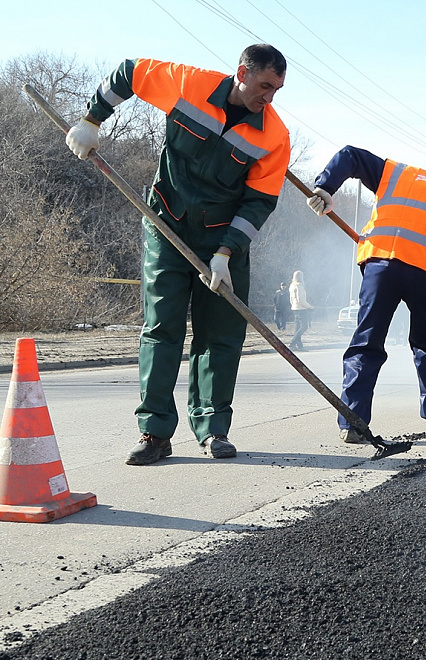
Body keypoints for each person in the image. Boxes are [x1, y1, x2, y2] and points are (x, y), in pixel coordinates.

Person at [65, 45, 291, 464]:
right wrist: (91, 119)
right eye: (264, 86)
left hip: (222, 243)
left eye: (277, 90)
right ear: (242, 72)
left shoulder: (274, 136)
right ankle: (154, 433)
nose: (269, 98)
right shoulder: (189, 85)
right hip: (166, 224)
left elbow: (259, 202)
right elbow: (129, 72)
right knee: (161, 328)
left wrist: (225, 253)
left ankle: (213, 429)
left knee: (221, 336)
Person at [306, 146, 426, 442]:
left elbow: (351, 155)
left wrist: (325, 186)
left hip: (380, 267)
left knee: (365, 343)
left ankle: (353, 423)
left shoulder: (398, 173)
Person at [288, 271, 314, 350]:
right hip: (302, 309)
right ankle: (292, 343)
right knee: (304, 327)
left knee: (297, 328)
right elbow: (301, 300)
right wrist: (309, 306)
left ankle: (299, 346)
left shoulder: (292, 286)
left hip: (295, 308)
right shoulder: (299, 286)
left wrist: (293, 305)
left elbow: (291, 299)